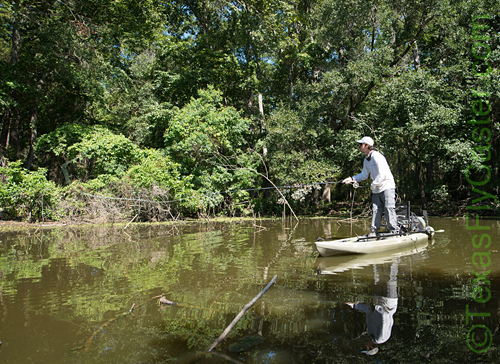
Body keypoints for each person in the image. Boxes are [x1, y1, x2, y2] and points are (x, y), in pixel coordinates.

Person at [342, 136, 399, 237]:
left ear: (367, 145)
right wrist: (351, 179)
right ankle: (374, 231)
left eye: (361, 144)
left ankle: (394, 231)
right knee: (376, 209)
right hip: (376, 188)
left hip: (387, 186)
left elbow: (383, 174)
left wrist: (374, 183)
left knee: (388, 208)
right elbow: (364, 175)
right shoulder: (366, 160)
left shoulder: (377, 156)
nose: (359, 146)